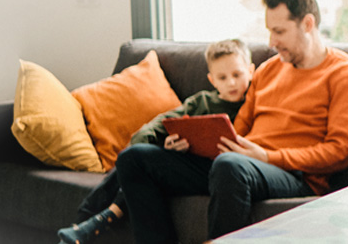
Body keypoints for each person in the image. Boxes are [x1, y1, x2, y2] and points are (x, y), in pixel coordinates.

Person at [116, 0, 348, 243]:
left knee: (230, 165)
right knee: (135, 158)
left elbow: (340, 152)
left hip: (295, 176)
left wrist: (268, 156)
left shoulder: (345, 72)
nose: (272, 43)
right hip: (240, 164)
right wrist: (189, 146)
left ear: (307, 24)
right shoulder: (268, 70)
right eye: (270, 32)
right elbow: (237, 132)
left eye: (280, 32)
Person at [56, 39, 255, 244]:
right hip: (191, 169)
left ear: (250, 71)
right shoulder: (201, 101)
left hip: (230, 175)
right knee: (133, 157)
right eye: (222, 77)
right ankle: (95, 218)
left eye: (237, 75)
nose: (231, 83)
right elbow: (157, 126)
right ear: (212, 80)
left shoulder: (257, 100)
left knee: (140, 164)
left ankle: (95, 217)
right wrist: (169, 147)